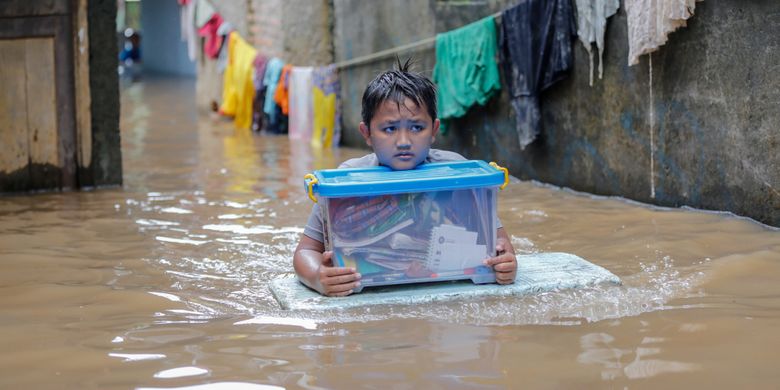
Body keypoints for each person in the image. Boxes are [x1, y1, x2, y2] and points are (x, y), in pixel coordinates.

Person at [293, 59, 517, 296]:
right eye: (389, 129)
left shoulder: (458, 173)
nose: (403, 141)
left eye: (417, 128)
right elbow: (305, 252)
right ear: (366, 134)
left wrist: (505, 263)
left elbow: (499, 244)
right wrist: (318, 277)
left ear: (434, 130)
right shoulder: (347, 182)